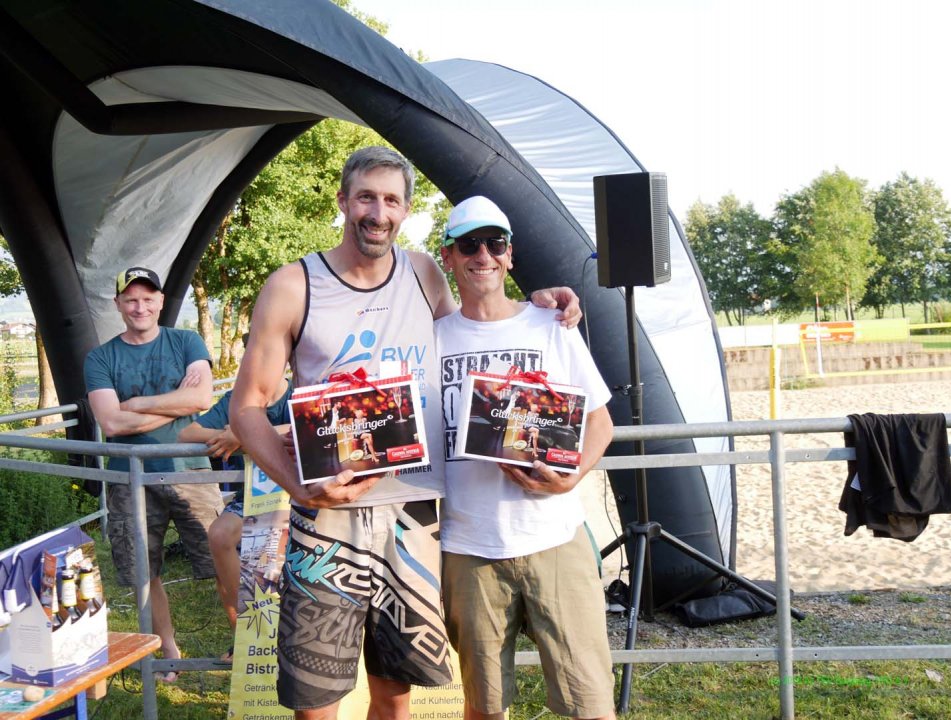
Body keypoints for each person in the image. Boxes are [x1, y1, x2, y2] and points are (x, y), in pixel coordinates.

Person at [229, 146, 581, 720]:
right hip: (329, 512)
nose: (377, 211)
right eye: (366, 196)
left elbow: (477, 321)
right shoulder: (294, 286)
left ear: (406, 210)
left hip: (414, 512)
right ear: (342, 201)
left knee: (395, 695)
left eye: (391, 200)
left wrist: (539, 305)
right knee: (317, 701)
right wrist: (298, 484)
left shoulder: (423, 273)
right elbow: (245, 409)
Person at [435, 196, 616, 719]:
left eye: (495, 243)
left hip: (555, 539)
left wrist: (571, 477)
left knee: (589, 703)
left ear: (510, 255)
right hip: (469, 548)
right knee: (485, 707)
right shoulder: (431, 339)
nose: (483, 255)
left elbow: (600, 422)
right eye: (469, 244)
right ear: (449, 256)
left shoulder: (550, 325)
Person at [83, 266, 222, 683]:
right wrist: (174, 403)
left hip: (190, 470)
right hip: (130, 478)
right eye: (131, 299)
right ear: (118, 304)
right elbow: (111, 424)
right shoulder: (100, 357)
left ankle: (247, 644)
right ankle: (166, 650)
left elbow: (201, 396)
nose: (140, 306)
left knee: (224, 559)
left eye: (148, 298)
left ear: (161, 301)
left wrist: (137, 403)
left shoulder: (186, 341)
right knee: (145, 572)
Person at [177, 368, 292, 651]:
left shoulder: (300, 391)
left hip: (299, 494)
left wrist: (245, 435)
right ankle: (245, 632)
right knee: (219, 536)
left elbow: (311, 426)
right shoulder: (238, 399)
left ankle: (289, 636)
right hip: (253, 497)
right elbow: (188, 433)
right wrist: (228, 434)